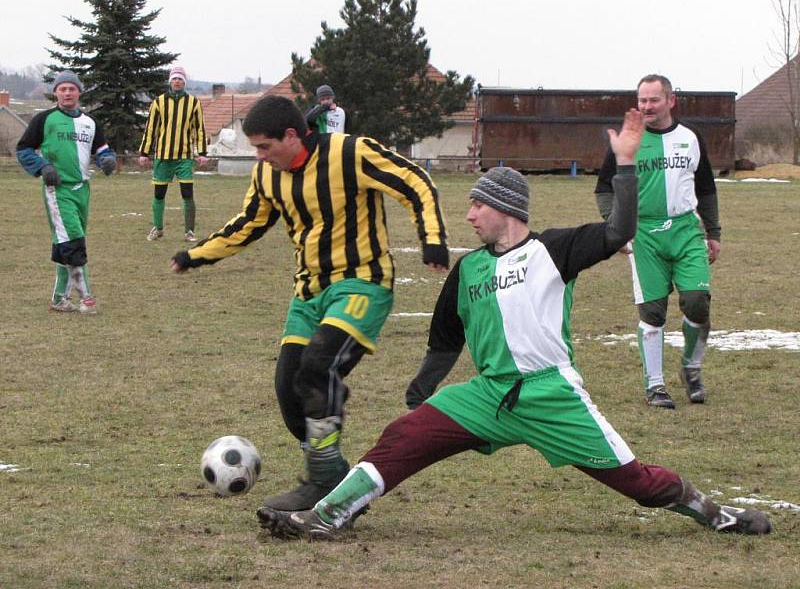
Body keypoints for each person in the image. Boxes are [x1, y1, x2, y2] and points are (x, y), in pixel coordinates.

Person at [256, 109, 772, 540]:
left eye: (477, 204)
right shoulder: (469, 268)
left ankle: (715, 514)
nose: (470, 215)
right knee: (401, 438)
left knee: (636, 482)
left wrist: (626, 164)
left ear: (505, 208)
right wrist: (424, 392)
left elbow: (619, 230)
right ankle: (323, 517)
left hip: (550, 394)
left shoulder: (555, 249)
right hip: (486, 395)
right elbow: (445, 339)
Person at [171, 95, 449, 511]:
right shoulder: (268, 176)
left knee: (319, 365)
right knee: (289, 388)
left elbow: (415, 183)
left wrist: (432, 239)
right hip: (308, 294)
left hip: (361, 284)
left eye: (264, 147)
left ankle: (321, 481)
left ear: (291, 135)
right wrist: (195, 255)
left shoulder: (349, 152)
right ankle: (335, 479)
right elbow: (248, 224)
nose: (259, 157)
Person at [595, 74, 721, 410]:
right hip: (644, 234)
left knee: (697, 302)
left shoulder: (691, 137)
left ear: (670, 100)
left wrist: (714, 232)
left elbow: (707, 188)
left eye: (653, 99)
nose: (646, 106)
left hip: (686, 230)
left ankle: (691, 370)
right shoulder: (628, 140)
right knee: (652, 311)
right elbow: (604, 189)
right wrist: (616, 227)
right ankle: (655, 386)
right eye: (642, 100)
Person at [16, 70, 117, 315]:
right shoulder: (44, 120)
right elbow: (23, 149)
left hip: (83, 190)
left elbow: (102, 149)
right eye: (63, 89)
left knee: (66, 243)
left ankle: (60, 299)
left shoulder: (90, 122)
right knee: (74, 242)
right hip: (57, 190)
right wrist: (43, 167)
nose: (67, 92)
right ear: (56, 92)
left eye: (72, 88)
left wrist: (108, 160)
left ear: (79, 92)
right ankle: (87, 299)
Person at [138, 66, 208, 242]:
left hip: (184, 156)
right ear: (170, 81)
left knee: (187, 194)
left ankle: (189, 232)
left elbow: (200, 128)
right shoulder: (158, 102)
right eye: (175, 78)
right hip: (163, 156)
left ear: (185, 82)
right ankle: (158, 228)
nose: (177, 81)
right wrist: (144, 152)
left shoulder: (194, 103)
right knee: (159, 194)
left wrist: (202, 153)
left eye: (180, 79)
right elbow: (150, 129)